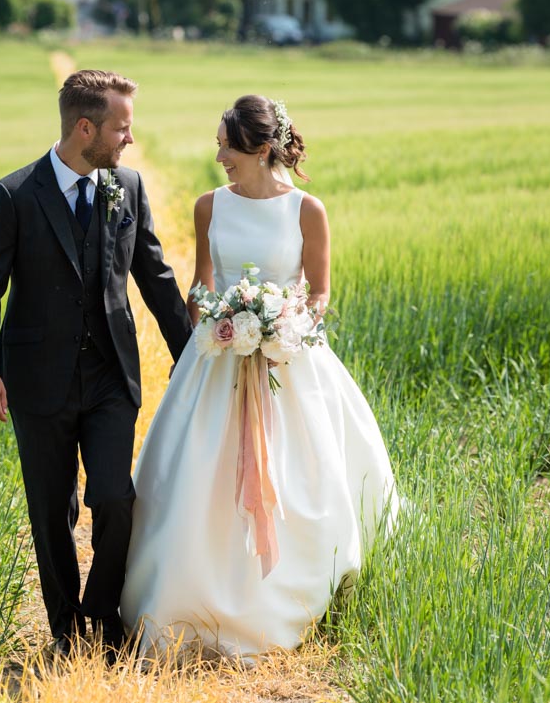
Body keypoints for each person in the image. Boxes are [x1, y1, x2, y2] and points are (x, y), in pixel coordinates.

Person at [120, 95, 400, 658]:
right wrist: (217, 323)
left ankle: (299, 598)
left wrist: (284, 325)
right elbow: (201, 286)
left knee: (308, 475)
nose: (218, 152)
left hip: (290, 358)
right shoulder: (209, 206)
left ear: (261, 147)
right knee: (197, 474)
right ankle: (188, 600)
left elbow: (319, 290)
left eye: (226, 143)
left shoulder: (306, 210)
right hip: (217, 359)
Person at [0, 70, 193, 658]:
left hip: (112, 377)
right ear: (85, 127)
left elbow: (156, 278)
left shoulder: (128, 187)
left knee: (116, 499)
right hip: (37, 381)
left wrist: (193, 355)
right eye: (122, 128)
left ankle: (103, 615)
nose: (129, 141)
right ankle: (66, 630)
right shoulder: (12, 195)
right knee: (51, 510)